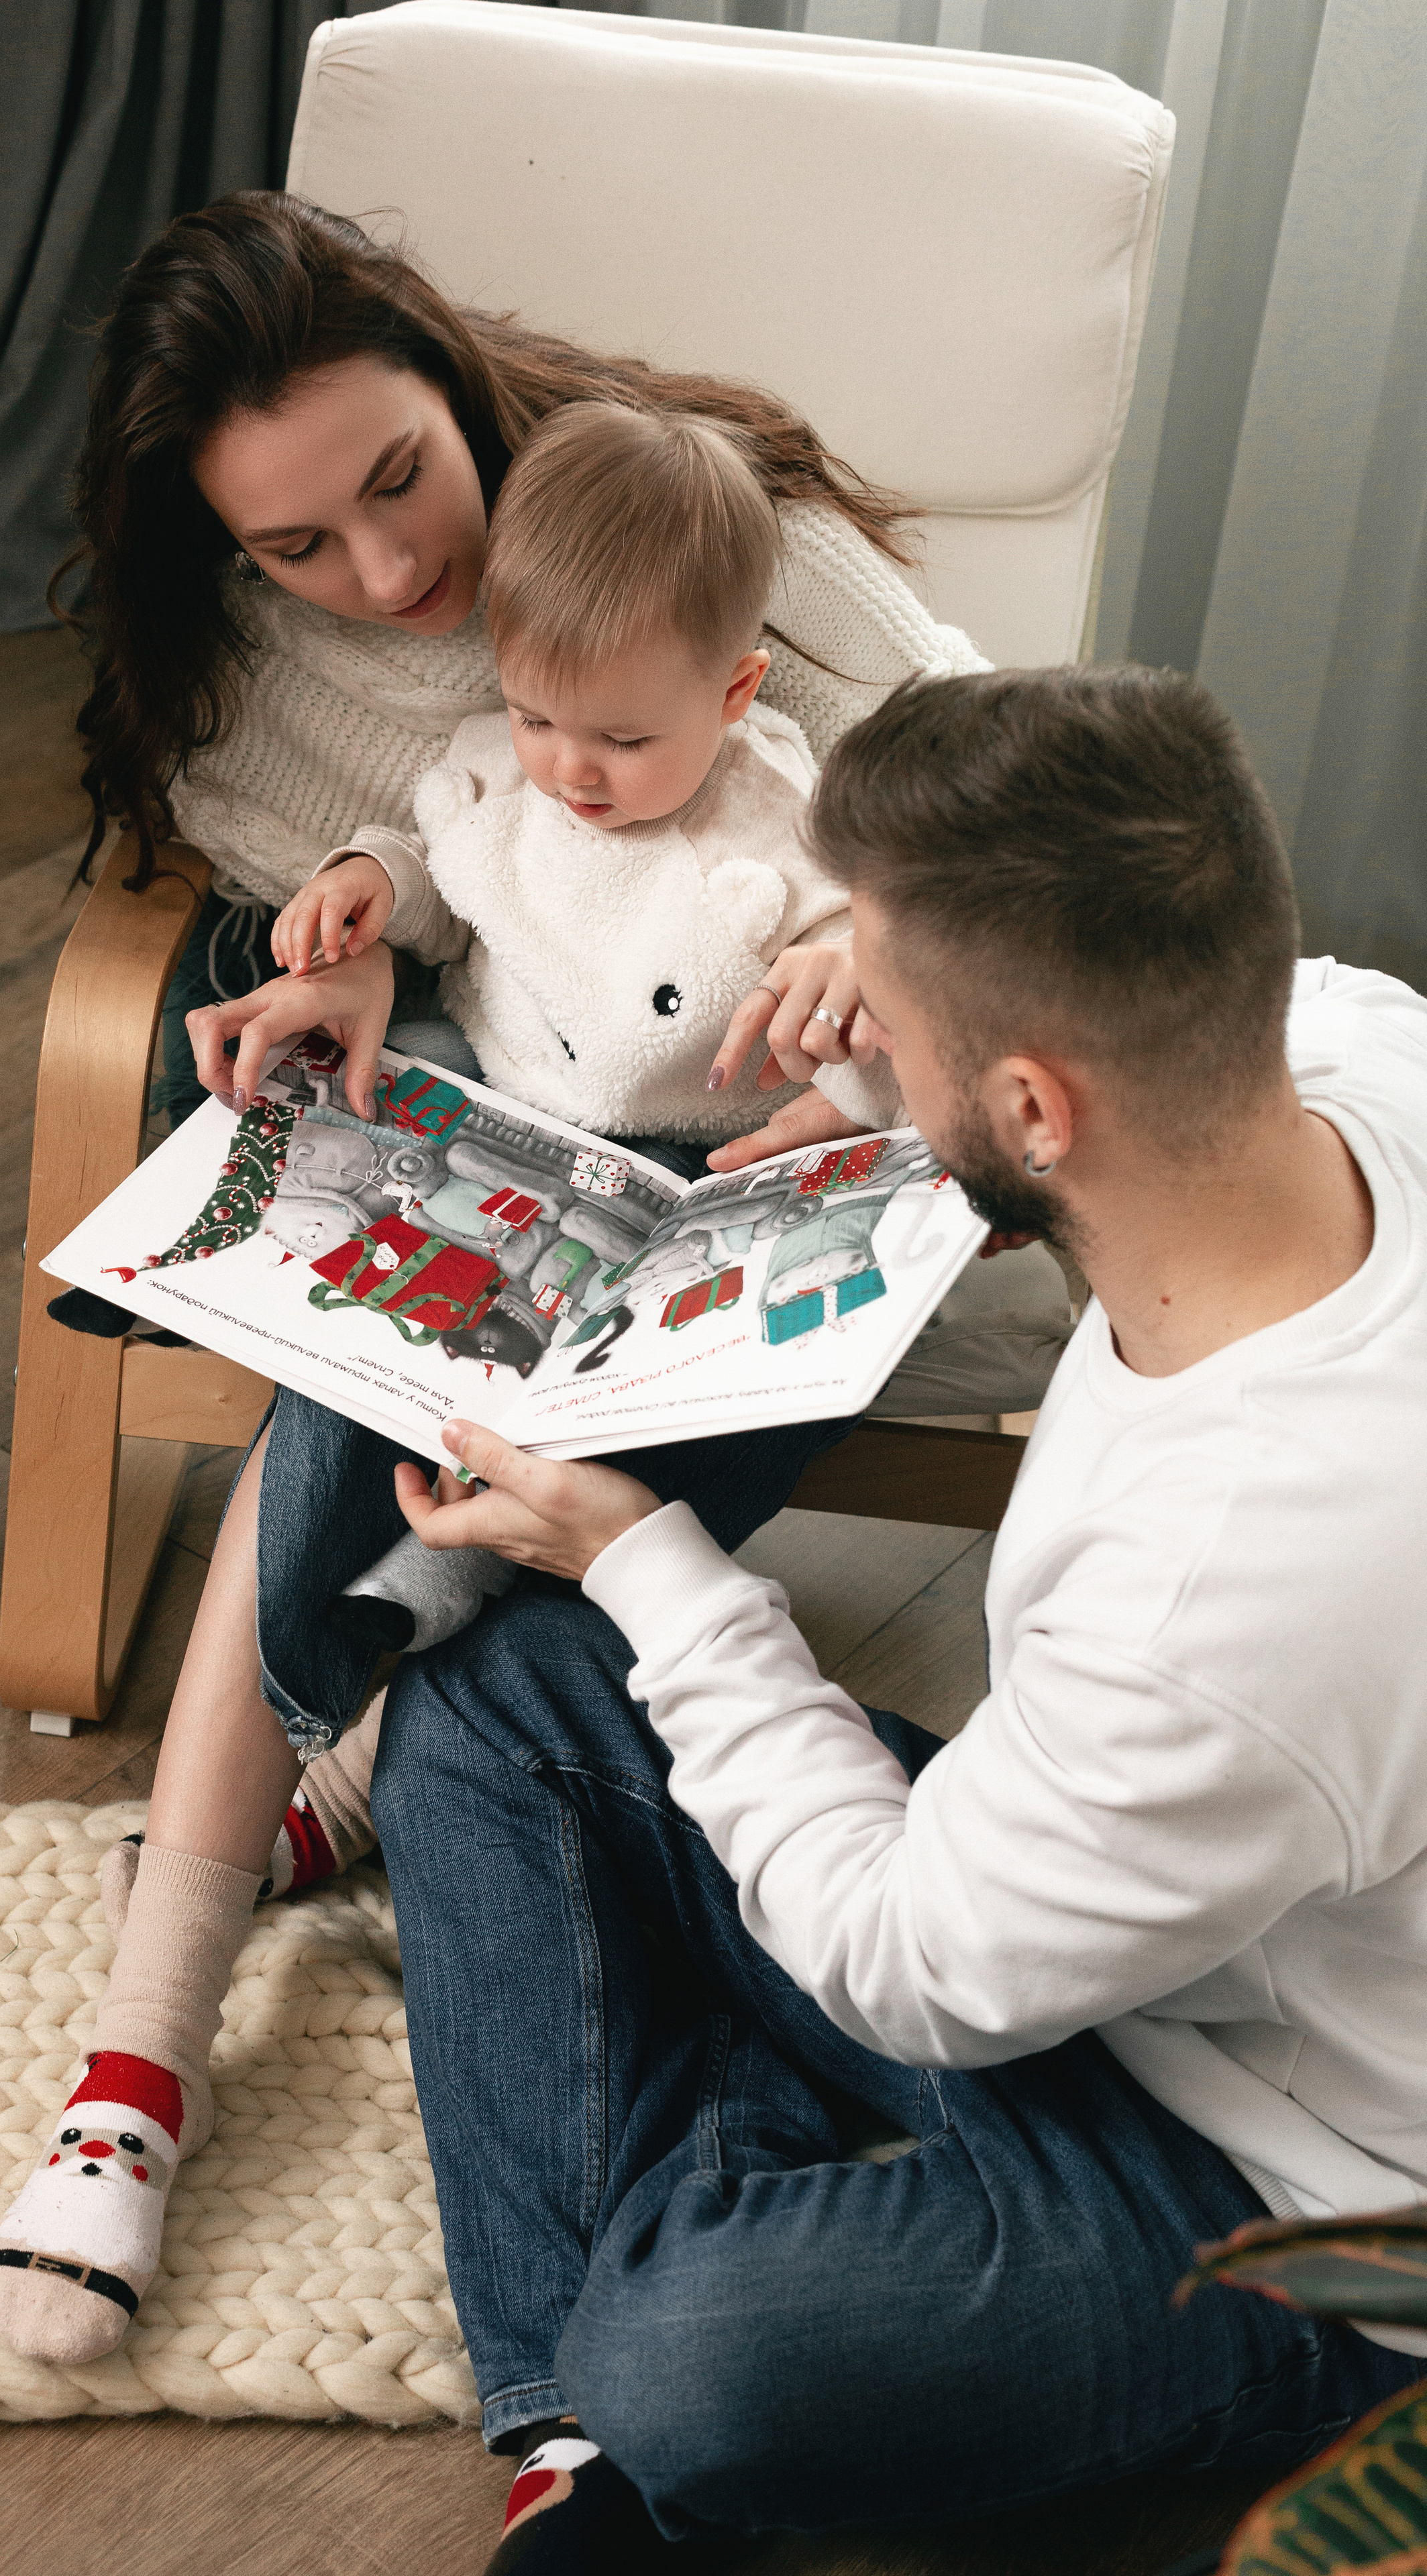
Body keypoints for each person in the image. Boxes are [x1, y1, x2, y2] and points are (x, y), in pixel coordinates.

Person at [0, 190, 1070, 2369]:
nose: (386, 576)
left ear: (448, 373)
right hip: (511, 1103)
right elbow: (453, 879)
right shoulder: (253, 687)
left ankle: (269, 1887)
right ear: (218, 551)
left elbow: (1020, 772)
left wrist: (889, 924)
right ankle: (140, 2069)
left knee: (449, 1386)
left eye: (400, 481)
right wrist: (351, 971)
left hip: (813, 1121)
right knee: (375, 1314)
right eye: (296, 547)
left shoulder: (676, 514)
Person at [368, 665, 1427, 2571]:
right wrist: (879, 1038)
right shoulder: (1349, 1057)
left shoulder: (1241, 1589)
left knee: (694, 2356)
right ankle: (578, 2445)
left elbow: (903, 1958)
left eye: (889, 999)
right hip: (1140, 1899)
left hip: (1302, 2195)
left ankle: (593, 2407)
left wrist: (642, 1556)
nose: (844, 1000)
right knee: (493, 1691)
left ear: (1034, 1102)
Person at [257, 398, 900, 1664]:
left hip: (690, 1162)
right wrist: (371, 880)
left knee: (693, 1397)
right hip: (504, 1117)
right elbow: (453, 878)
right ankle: (302, 1536)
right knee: (343, 1164)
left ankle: (481, 1581)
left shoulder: (781, 820)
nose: (572, 773)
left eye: (623, 738)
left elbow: (864, 971)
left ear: (734, 689)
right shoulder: (502, 766)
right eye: (540, 717)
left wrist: (841, 963)